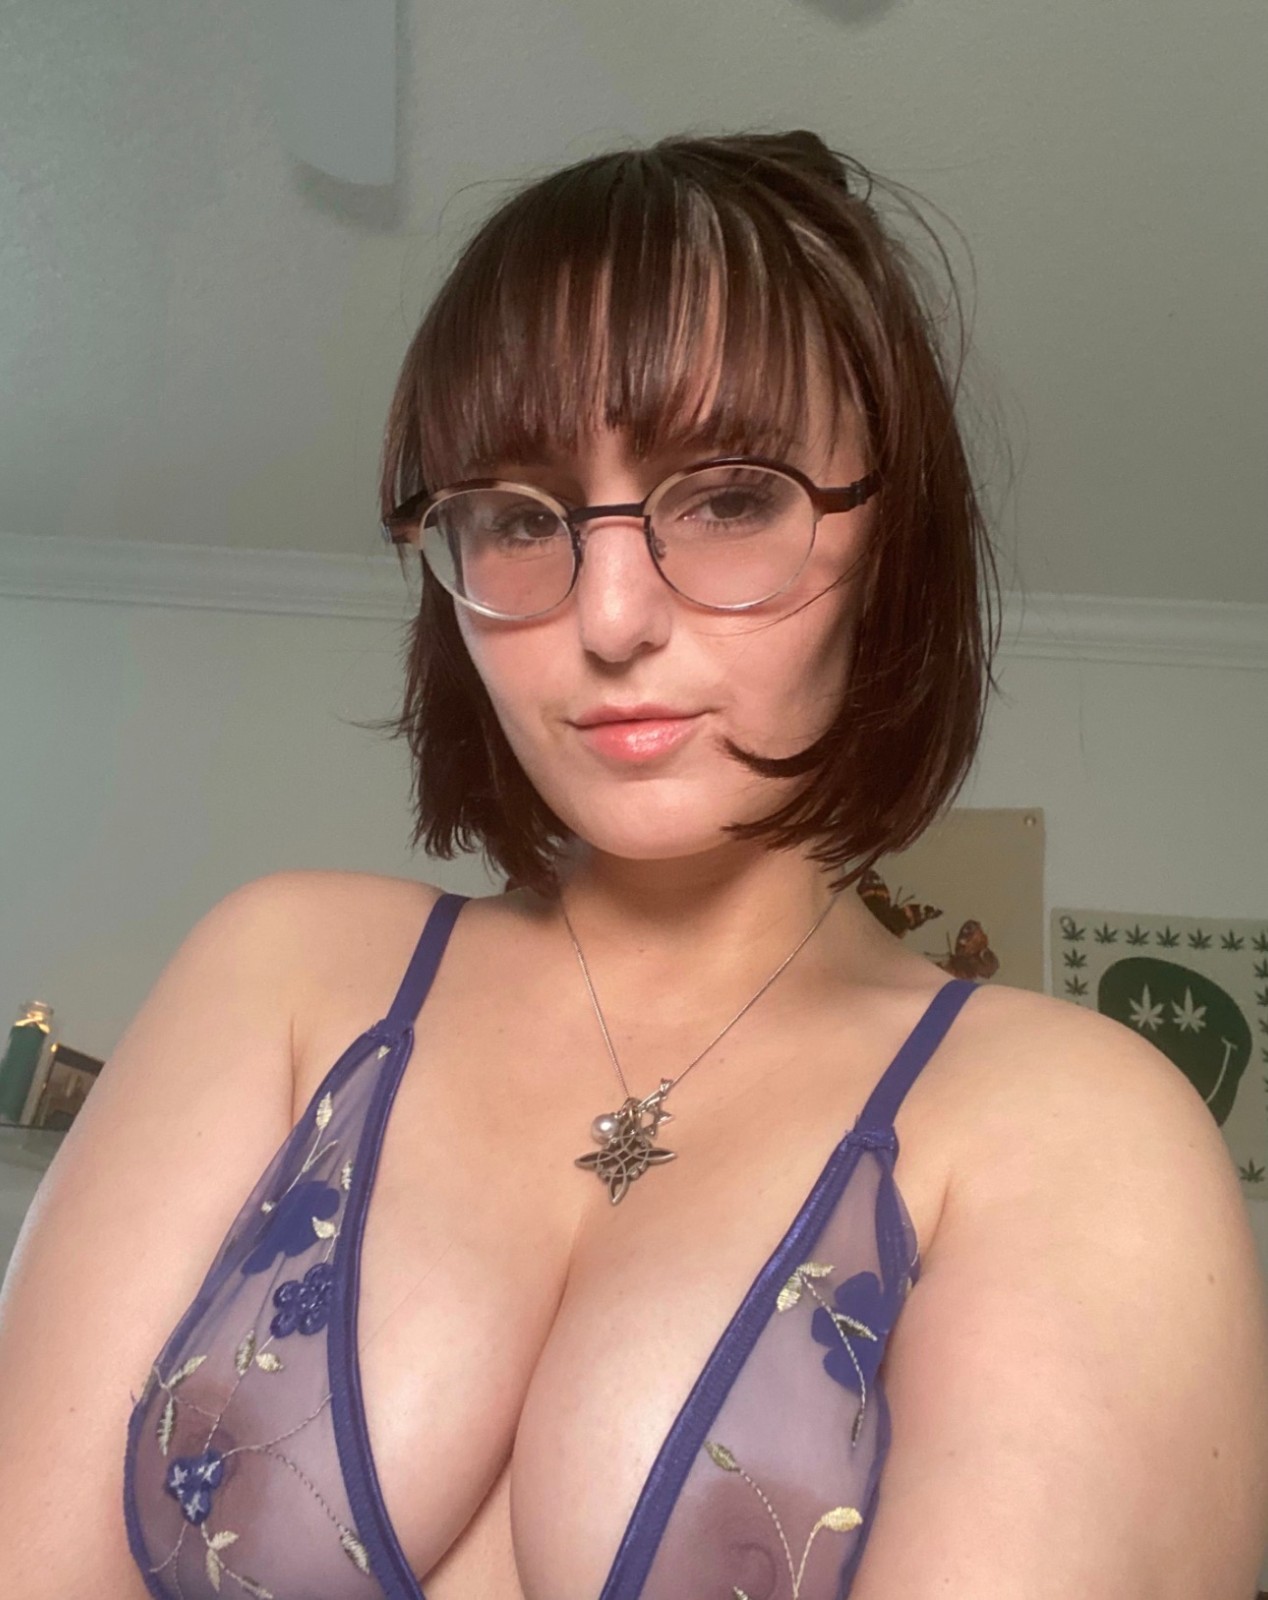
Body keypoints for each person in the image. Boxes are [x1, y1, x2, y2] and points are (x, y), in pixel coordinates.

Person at [1, 129, 1265, 1600]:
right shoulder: (284, 977)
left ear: (890, 536)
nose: (609, 617)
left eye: (729, 498)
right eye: (517, 517)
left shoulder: (1076, 1129)